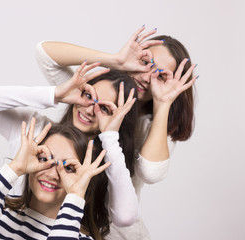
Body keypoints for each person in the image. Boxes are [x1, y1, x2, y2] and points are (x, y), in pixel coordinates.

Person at [35, 26, 198, 239]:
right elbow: (45, 54)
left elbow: (151, 172)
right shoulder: (89, 96)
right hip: (58, 223)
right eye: (146, 62)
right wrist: (116, 60)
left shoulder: (152, 126)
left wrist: (163, 102)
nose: (147, 77)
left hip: (112, 232)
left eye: (160, 75)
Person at [0, 62, 139, 233]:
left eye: (105, 109)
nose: (90, 109)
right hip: (7, 229)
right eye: (88, 96)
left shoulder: (106, 163)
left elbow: (125, 217)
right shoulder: (38, 131)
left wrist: (110, 135)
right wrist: (56, 94)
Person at [0, 120, 111, 240]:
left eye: (68, 168)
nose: (52, 174)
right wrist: (16, 168)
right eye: (44, 159)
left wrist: (75, 194)